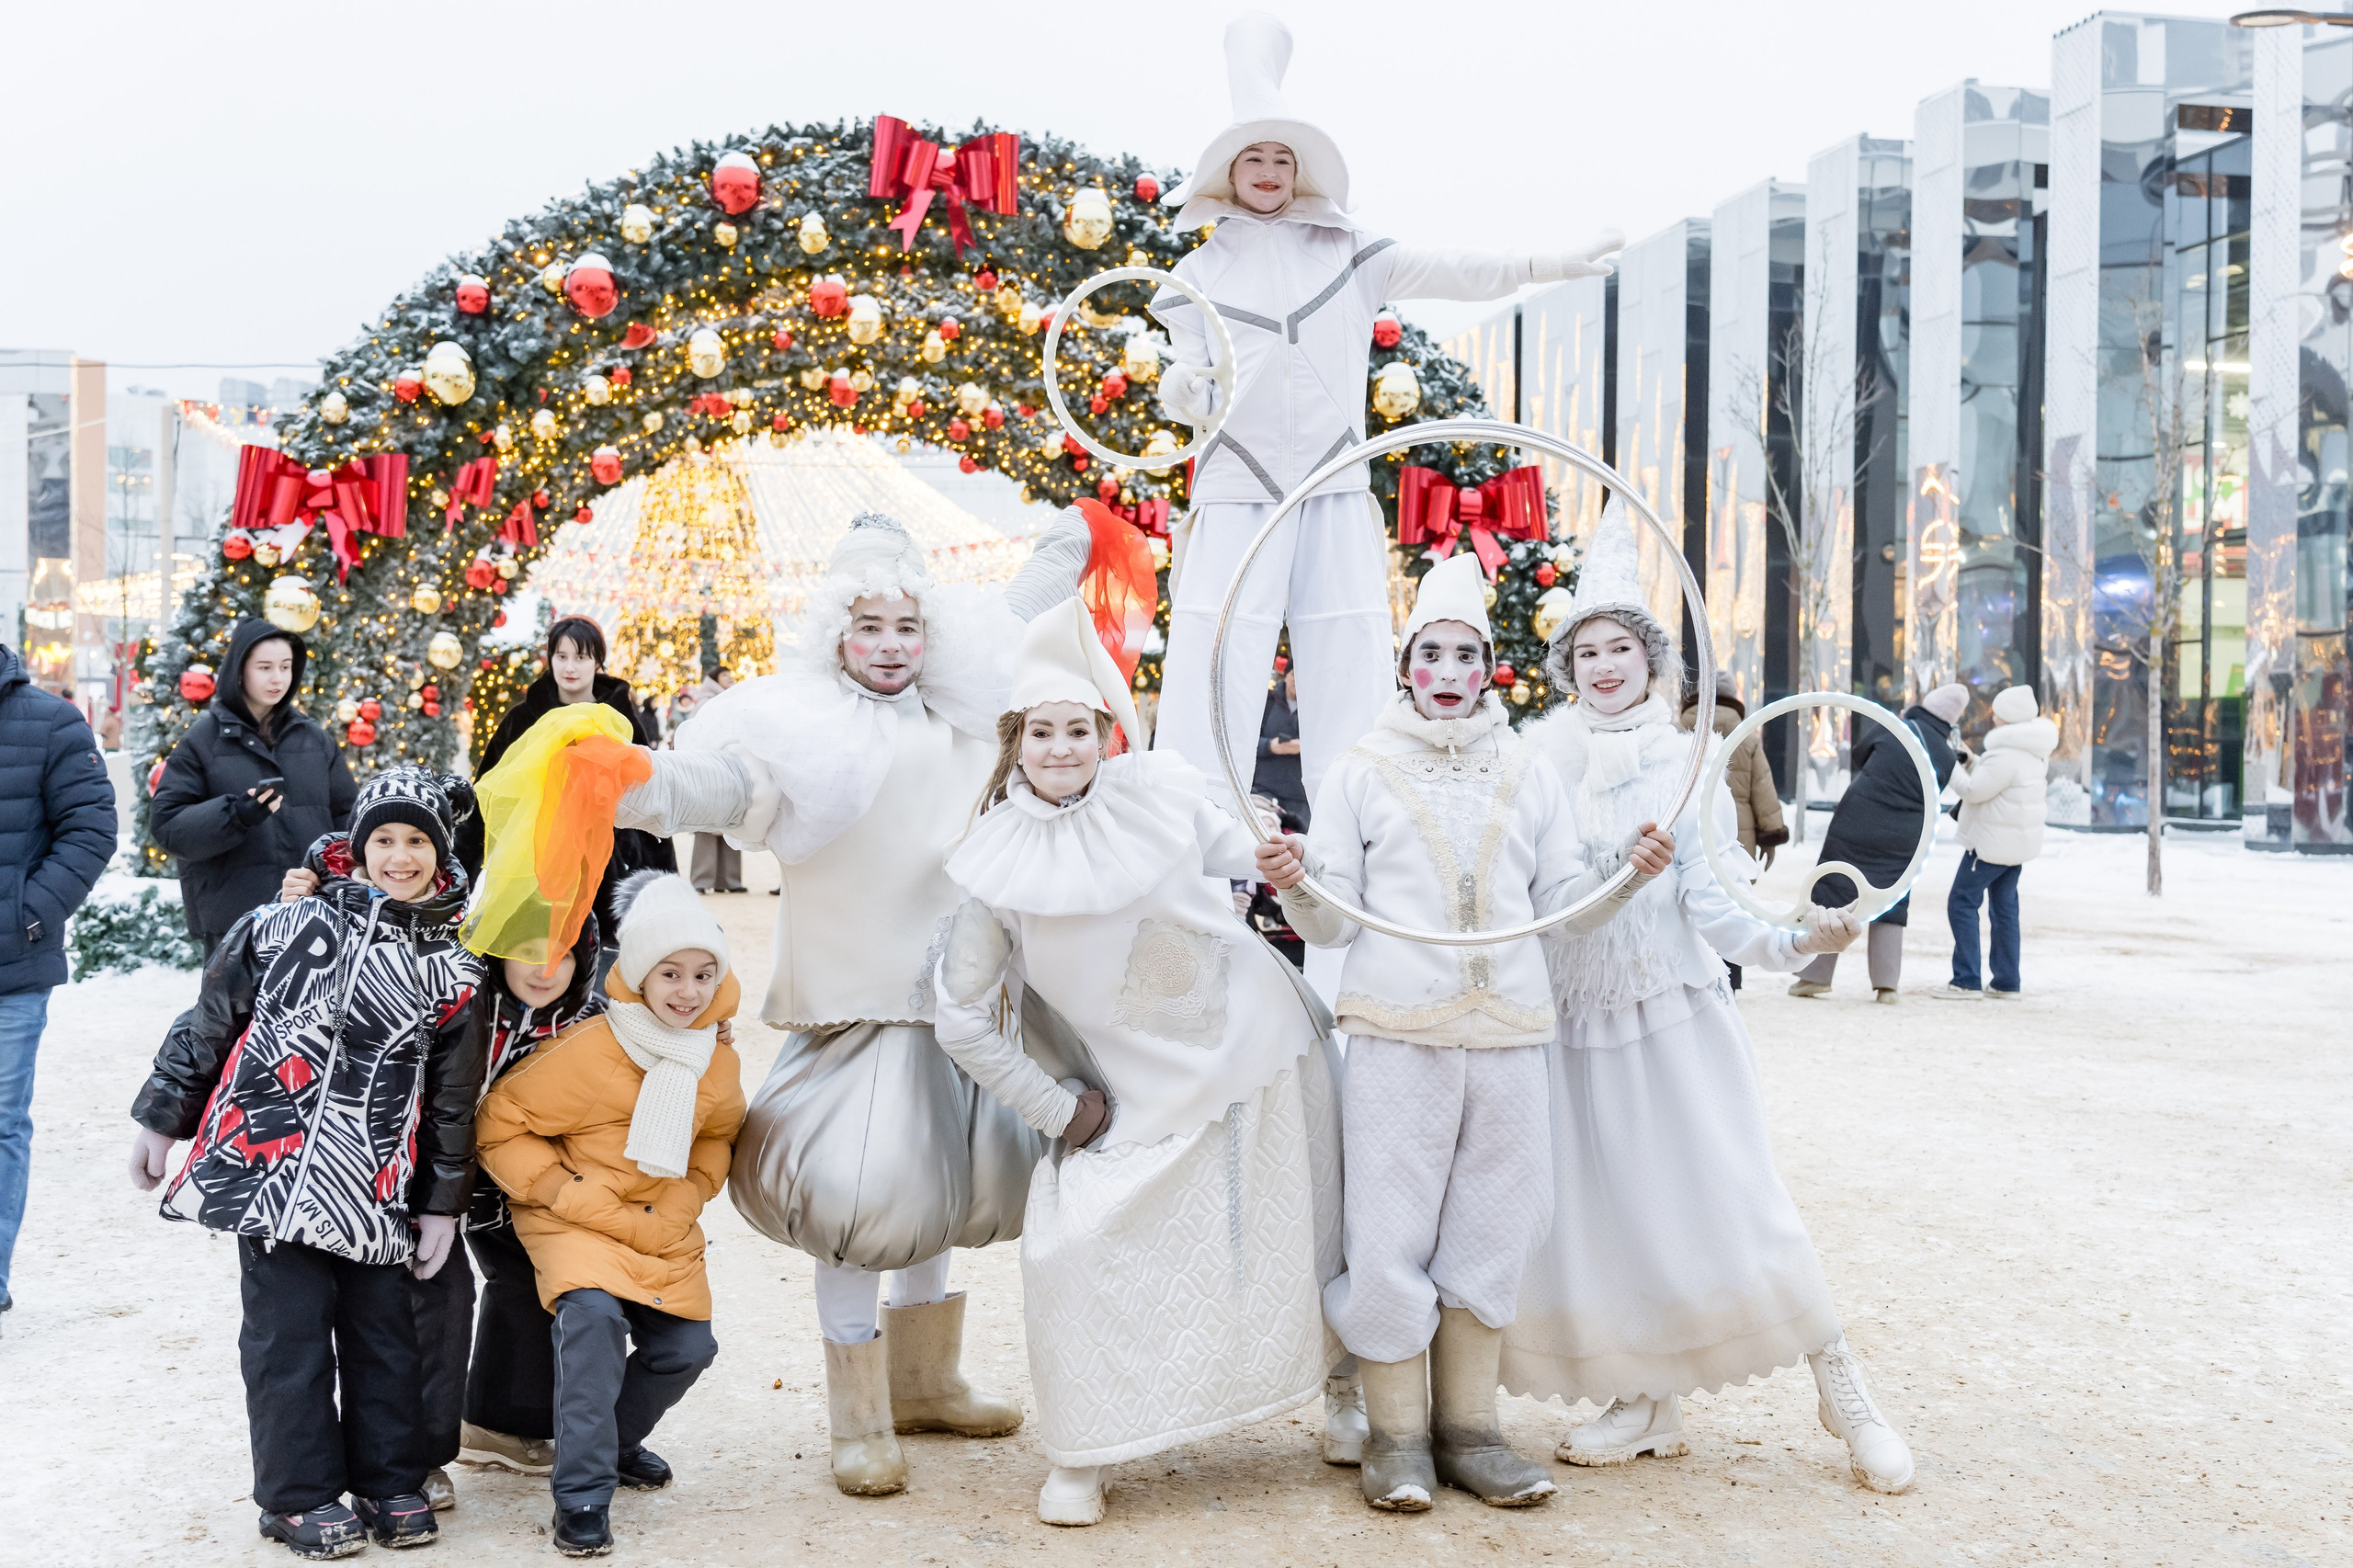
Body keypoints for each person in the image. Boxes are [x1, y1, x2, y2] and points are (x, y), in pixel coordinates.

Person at [588, 507, 1100, 1495]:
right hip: (859, 1001)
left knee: (942, 1194)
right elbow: (718, 787)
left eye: (907, 627)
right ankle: (860, 1412)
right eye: (869, 627)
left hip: (964, 1000)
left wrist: (1061, 544)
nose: (890, 645)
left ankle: (923, 1381)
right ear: (835, 632)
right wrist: (633, 779)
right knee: (863, 1199)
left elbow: (1016, 607)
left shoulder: (961, 712)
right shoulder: (799, 727)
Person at [1506, 502, 1913, 1496]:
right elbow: (1547, 913)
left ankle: (1840, 1382)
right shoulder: (1536, 767)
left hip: (1673, 1022)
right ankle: (1644, 1400)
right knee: (1604, 1218)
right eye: (1585, 652)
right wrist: (1615, 884)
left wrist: (1798, 940)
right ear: (1565, 671)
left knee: (1734, 1203)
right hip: (1571, 1028)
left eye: (1620, 649)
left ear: (1653, 664)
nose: (1603, 666)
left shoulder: (1687, 766)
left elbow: (1722, 912)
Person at [1257, 554, 1672, 1513]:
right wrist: (1291, 876)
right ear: (1408, 666)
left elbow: (1563, 905)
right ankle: (1397, 1437)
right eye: (1431, 653)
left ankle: (1471, 1432)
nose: (1447, 670)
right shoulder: (1361, 768)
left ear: (1489, 667)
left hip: (1511, 1035)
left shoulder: (1528, 769)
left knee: (1494, 1226)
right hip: (1398, 1033)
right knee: (1389, 1228)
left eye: (1466, 654)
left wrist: (1630, 874)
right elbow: (1333, 919)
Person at [930, 598, 1343, 1527]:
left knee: (1298, 1232)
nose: (1062, 747)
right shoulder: (993, 862)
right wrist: (1057, 1109)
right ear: (1016, 742)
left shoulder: (1160, 792)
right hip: (1141, 1094)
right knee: (1074, 1241)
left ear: (1105, 733)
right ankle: (1086, 1445)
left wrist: (1288, 864)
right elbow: (958, 1015)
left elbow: (1260, 863)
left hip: (1265, 1047)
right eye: (1042, 731)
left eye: (1078, 729)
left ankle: (1343, 1390)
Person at [1149, 13, 1620, 821]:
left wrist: (1548, 264)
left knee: (1351, 649)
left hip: (1331, 480)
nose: (1267, 170)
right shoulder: (1196, 269)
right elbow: (1182, 371)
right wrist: (1185, 392)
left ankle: (1355, 830)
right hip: (1238, 484)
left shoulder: (1350, 251)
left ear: (1300, 171)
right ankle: (1188, 831)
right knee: (1211, 650)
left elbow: (1453, 267)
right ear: (1228, 169)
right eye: (1253, 156)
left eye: (1281, 157)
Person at [129, 767, 486, 1559]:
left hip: (372, 1180)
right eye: (384, 839)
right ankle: (298, 1496)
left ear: (440, 852)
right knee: (287, 1337)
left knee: (385, 1337)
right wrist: (162, 1119)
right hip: (270, 1172)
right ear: (357, 848)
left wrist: (441, 1201)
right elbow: (208, 1023)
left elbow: (454, 1101)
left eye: (417, 841)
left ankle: (390, 1480)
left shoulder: (453, 971)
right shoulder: (280, 926)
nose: (400, 856)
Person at [475, 871, 746, 1558]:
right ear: (639, 977)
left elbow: (717, 1133)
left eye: (703, 975)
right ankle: (583, 1497)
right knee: (593, 1324)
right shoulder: (594, 1047)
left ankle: (615, 1443)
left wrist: (691, 1194)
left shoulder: (714, 1058)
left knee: (687, 1348)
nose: (688, 992)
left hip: (660, 1219)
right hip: (576, 1217)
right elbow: (500, 1122)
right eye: (671, 974)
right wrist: (564, 1193)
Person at [0, 639, 115, 1334]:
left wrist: (28, 916)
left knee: (0, 1123)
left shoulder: (50, 720)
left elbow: (92, 827)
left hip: (11, 970)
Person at [460, 617, 675, 967]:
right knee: (531, 965)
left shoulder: (620, 719)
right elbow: (488, 793)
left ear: (598, 662)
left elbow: (652, 797)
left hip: (606, 866)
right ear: (550, 659)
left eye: (581, 657)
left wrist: (665, 882)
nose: (570, 667)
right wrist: (463, 871)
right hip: (535, 865)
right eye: (561, 657)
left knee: (608, 970)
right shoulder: (522, 718)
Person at [150, 618, 356, 956]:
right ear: (239, 672)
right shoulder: (201, 741)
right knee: (240, 1012)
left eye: (286, 667)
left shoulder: (315, 740)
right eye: (265, 667)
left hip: (315, 919)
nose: (278, 678)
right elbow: (169, 826)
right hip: (237, 926)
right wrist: (235, 815)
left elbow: (348, 818)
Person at [1789, 681, 1964, 1004]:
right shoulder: (1946, 754)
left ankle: (1814, 976)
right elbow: (1955, 789)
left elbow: (1858, 755)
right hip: (1906, 836)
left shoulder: (1895, 727)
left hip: (1859, 821)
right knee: (1891, 900)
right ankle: (1887, 986)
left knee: (1832, 889)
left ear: (1924, 707)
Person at [1933, 684, 2056, 1001]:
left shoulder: (2006, 754)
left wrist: (1951, 766)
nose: (1993, 717)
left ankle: (1966, 979)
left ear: (2007, 717)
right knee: (2004, 910)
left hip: (1990, 845)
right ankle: (2005, 980)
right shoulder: (2031, 751)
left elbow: (1974, 791)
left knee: (1961, 902)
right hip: (2015, 846)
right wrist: (1971, 760)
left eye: (1997, 712)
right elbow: (1995, 781)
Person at [1677, 671, 1788, 991]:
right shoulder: (1746, 737)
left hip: (1690, 831)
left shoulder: (1679, 728)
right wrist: (1771, 835)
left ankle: (1694, 976)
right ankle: (1731, 980)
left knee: (1692, 904)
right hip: (1737, 836)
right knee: (1735, 906)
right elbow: (1762, 789)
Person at [684, 666, 745, 892]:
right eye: (724, 675)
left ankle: (729, 881)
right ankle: (702, 880)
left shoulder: (733, 700)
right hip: (708, 768)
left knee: (733, 822)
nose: (730, 677)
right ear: (713, 681)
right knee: (706, 825)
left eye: (731, 674)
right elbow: (697, 734)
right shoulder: (706, 703)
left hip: (733, 767)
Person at [1255, 661, 1308, 827]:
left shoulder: (1318, 710)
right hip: (1264, 794)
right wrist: (1271, 746)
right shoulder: (1265, 702)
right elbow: (1244, 744)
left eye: (1303, 677)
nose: (1298, 681)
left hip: (1302, 800)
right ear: (1286, 675)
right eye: (1294, 675)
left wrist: (1304, 747)